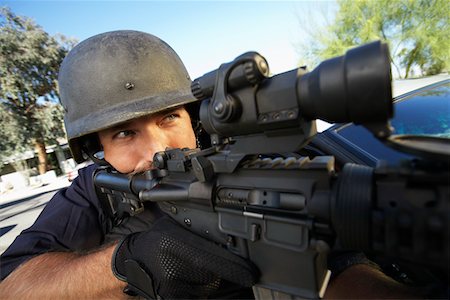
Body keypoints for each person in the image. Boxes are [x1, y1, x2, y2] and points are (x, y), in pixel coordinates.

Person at [0, 30, 421, 299]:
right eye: (124, 133)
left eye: (168, 117)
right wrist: (124, 263)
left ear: (194, 118)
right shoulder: (96, 189)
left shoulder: (256, 164)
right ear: (97, 150)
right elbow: (12, 285)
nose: (157, 149)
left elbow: (341, 270)